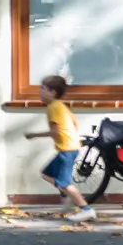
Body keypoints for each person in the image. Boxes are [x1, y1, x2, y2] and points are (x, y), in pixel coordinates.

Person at [26, 75, 96, 223]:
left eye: (42, 88)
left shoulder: (53, 108)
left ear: (52, 92)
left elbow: (55, 132)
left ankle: (87, 210)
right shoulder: (60, 106)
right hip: (69, 147)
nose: (39, 91)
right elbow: (74, 122)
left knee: (64, 183)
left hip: (67, 150)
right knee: (46, 174)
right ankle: (70, 196)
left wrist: (34, 135)